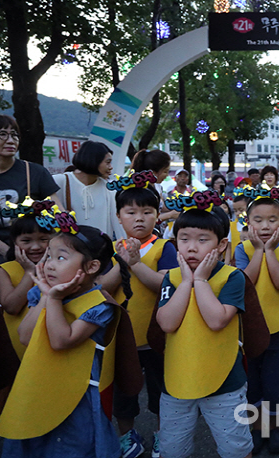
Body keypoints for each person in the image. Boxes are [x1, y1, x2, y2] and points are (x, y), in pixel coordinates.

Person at [0, 223, 134, 458]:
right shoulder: (42, 292)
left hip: (78, 395)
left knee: (73, 447)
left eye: (61, 258)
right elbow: (25, 336)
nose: (49, 263)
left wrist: (53, 299)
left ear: (91, 266)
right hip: (40, 385)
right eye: (48, 256)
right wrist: (46, 295)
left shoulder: (99, 305)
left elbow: (62, 341)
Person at [155, 205, 253, 458]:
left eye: (202, 240)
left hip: (225, 382)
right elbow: (167, 323)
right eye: (184, 239)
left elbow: (217, 320)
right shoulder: (173, 277)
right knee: (172, 448)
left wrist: (199, 280)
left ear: (221, 245)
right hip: (177, 379)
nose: (191, 247)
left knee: (235, 448)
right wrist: (186, 281)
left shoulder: (232, 277)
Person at [101, 177, 179, 458]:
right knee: (124, 391)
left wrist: (135, 263)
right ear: (119, 216)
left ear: (158, 216)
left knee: (161, 390)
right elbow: (99, 289)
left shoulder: (164, 247)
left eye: (147, 212)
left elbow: (164, 284)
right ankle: (126, 435)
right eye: (131, 213)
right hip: (121, 337)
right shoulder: (110, 249)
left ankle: (162, 433)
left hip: (155, 335)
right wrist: (122, 260)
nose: (139, 219)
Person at [234, 197, 279, 454]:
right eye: (258, 220)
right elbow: (245, 281)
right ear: (248, 223)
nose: (264, 226)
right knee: (252, 383)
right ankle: (254, 428)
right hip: (249, 327)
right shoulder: (243, 249)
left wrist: (269, 250)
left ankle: (274, 428)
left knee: (275, 383)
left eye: (272, 220)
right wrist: (259, 250)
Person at [0, 113, 61, 266]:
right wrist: (2, 248)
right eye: (2, 134)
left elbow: (57, 210)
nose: (10, 140)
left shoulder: (35, 172)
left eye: (14, 135)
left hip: (38, 253)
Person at [0, 213, 53, 360]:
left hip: (50, 341)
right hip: (17, 346)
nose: (36, 247)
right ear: (14, 243)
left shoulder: (58, 268)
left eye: (43, 239)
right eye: (26, 241)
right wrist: (30, 271)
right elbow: (12, 307)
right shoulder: (4, 270)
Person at [53, 141, 125, 240]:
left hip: (100, 249)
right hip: (70, 249)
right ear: (93, 160)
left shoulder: (109, 189)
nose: (111, 167)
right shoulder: (60, 181)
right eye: (107, 162)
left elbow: (118, 224)